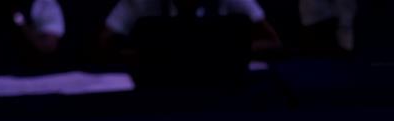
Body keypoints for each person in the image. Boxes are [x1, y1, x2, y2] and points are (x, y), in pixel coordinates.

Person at [99, 0, 280, 61]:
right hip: (158, 94)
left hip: (223, 91)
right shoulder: (142, 1)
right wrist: (153, 56)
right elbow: (100, 46)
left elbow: (273, 42)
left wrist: (223, 53)